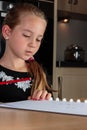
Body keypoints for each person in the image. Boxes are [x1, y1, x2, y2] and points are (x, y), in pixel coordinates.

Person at [0, 2, 54, 102]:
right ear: (7, 32)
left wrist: (45, 101)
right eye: (26, 35)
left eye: (38, 39)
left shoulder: (39, 74)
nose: (33, 44)